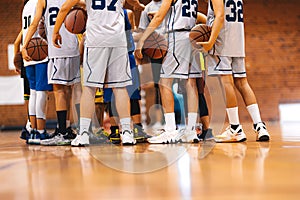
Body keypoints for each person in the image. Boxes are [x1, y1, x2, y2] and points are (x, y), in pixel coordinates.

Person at [52, 0, 145, 146]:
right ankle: (127, 133)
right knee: (120, 88)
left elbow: (65, 7)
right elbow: (132, 1)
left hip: (96, 40)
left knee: (89, 88)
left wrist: (56, 31)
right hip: (118, 40)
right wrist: (137, 5)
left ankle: (83, 134)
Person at [197, 0, 270, 142]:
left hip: (221, 44)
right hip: (237, 42)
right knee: (243, 83)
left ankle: (235, 128)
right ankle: (259, 126)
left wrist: (210, 42)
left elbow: (219, 17)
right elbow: (220, 18)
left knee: (226, 83)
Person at [135, 0, 202, 144]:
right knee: (191, 83)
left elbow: (159, 17)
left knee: (164, 81)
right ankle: (191, 130)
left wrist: (142, 41)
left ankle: (171, 130)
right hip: (192, 36)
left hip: (177, 37)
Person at [22, 0, 82, 145]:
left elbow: (35, 23)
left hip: (57, 47)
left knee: (59, 90)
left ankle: (61, 132)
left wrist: (25, 45)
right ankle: (72, 128)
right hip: (73, 46)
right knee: (71, 90)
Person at [105, 8, 151, 144]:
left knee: (131, 95)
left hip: (123, 55)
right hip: (117, 55)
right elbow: (132, 34)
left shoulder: (127, 13)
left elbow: (132, 34)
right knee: (115, 96)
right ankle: (116, 131)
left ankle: (134, 129)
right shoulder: (125, 12)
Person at [17, 0, 53, 145]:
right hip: (39, 50)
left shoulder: (25, 5)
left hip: (28, 54)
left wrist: (23, 47)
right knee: (42, 92)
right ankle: (41, 131)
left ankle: (33, 131)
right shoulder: (40, 2)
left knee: (33, 92)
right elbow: (35, 25)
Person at [136, 0, 165, 131]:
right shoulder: (147, 9)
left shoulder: (170, 3)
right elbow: (143, 31)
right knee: (158, 86)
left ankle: (190, 123)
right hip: (156, 51)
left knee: (183, 85)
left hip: (173, 46)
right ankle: (160, 120)